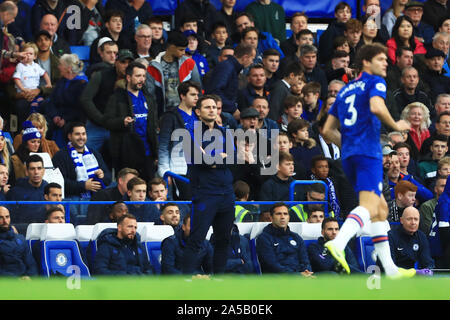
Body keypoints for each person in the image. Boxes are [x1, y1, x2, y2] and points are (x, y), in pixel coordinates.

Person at [322, 43, 416, 278]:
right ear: (366, 62)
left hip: (350, 156)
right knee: (369, 204)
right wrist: (396, 126)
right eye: (381, 59)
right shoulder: (376, 82)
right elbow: (376, 106)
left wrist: (349, 145)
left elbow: (326, 130)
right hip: (369, 153)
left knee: (380, 210)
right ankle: (339, 242)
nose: (386, 63)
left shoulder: (344, 90)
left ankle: (392, 270)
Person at [181, 95, 236, 275]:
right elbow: (200, 160)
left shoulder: (225, 132)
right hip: (205, 193)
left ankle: (219, 280)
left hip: (227, 193)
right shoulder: (190, 132)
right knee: (196, 239)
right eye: (207, 107)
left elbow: (234, 159)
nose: (212, 110)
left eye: (215, 107)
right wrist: (219, 158)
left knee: (223, 239)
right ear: (198, 112)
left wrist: (212, 159)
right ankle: (187, 280)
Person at [104, 61, 158, 181]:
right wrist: (121, 122)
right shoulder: (117, 98)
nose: (142, 79)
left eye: (144, 76)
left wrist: (156, 152)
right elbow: (107, 121)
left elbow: (153, 127)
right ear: (128, 77)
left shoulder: (149, 98)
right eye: (138, 76)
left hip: (147, 152)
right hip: (126, 153)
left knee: (148, 189)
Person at [52, 122, 112, 218]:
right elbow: (60, 182)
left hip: (94, 197)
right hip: (72, 198)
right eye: (77, 134)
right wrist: (83, 186)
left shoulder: (94, 153)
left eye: (83, 134)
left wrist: (102, 176)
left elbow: (108, 177)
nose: (81, 137)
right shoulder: (60, 156)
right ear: (69, 136)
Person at [81, 49, 134, 152]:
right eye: (123, 62)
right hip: (97, 126)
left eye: (129, 63)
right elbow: (85, 99)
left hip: (122, 127)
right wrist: (101, 119)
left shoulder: (135, 79)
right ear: (116, 62)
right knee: (85, 154)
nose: (127, 66)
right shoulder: (101, 75)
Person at [158, 81, 199, 201]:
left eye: (197, 95)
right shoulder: (171, 116)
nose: (196, 97)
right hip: (178, 168)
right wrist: (165, 171)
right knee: (184, 202)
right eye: (192, 94)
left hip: (197, 167)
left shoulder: (198, 116)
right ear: (182, 96)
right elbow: (163, 145)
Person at [148, 31, 202, 115]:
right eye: (181, 50)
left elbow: (199, 92)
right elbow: (150, 97)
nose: (184, 53)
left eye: (184, 49)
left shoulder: (189, 63)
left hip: (187, 113)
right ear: (171, 47)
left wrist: (198, 116)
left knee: (196, 128)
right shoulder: (152, 67)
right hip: (162, 114)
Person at [256, 202, 314, 276]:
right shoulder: (264, 238)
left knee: (330, 275)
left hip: (300, 275)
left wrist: (306, 271)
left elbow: (305, 260)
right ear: (271, 217)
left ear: (289, 217)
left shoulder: (296, 237)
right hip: (278, 278)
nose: (282, 217)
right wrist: (297, 275)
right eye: (278, 214)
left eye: (285, 214)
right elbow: (272, 265)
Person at [42, 54, 88, 147]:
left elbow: (80, 107)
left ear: (68, 68)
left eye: (61, 65)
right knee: (43, 124)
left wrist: (65, 119)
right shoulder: (62, 81)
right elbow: (52, 101)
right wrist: (55, 115)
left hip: (74, 118)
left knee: (69, 129)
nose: (58, 67)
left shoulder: (82, 84)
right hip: (57, 116)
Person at [204, 43, 256, 119]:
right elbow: (215, 91)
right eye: (252, 59)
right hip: (221, 113)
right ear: (245, 57)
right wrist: (233, 109)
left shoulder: (232, 68)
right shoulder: (227, 67)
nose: (252, 62)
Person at [13, 42, 52, 126]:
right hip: (23, 93)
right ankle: (26, 125)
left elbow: (45, 73)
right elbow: (16, 79)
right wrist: (23, 89)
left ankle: (40, 125)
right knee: (23, 107)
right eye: (26, 53)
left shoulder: (36, 66)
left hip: (35, 93)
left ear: (35, 56)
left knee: (43, 104)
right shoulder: (20, 66)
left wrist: (48, 83)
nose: (28, 56)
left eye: (30, 54)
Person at [7, 154, 48, 233]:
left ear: (43, 171)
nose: (36, 172)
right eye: (32, 169)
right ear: (26, 171)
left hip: (44, 231)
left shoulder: (50, 190)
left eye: (39, 168)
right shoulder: (15, 192)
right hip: (21, 231)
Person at [0, 206, 38, 277]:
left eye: (7, 217)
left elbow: (31, 264)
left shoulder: (20, 238)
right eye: (1, 218)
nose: (5, 221)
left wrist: (29, 277)